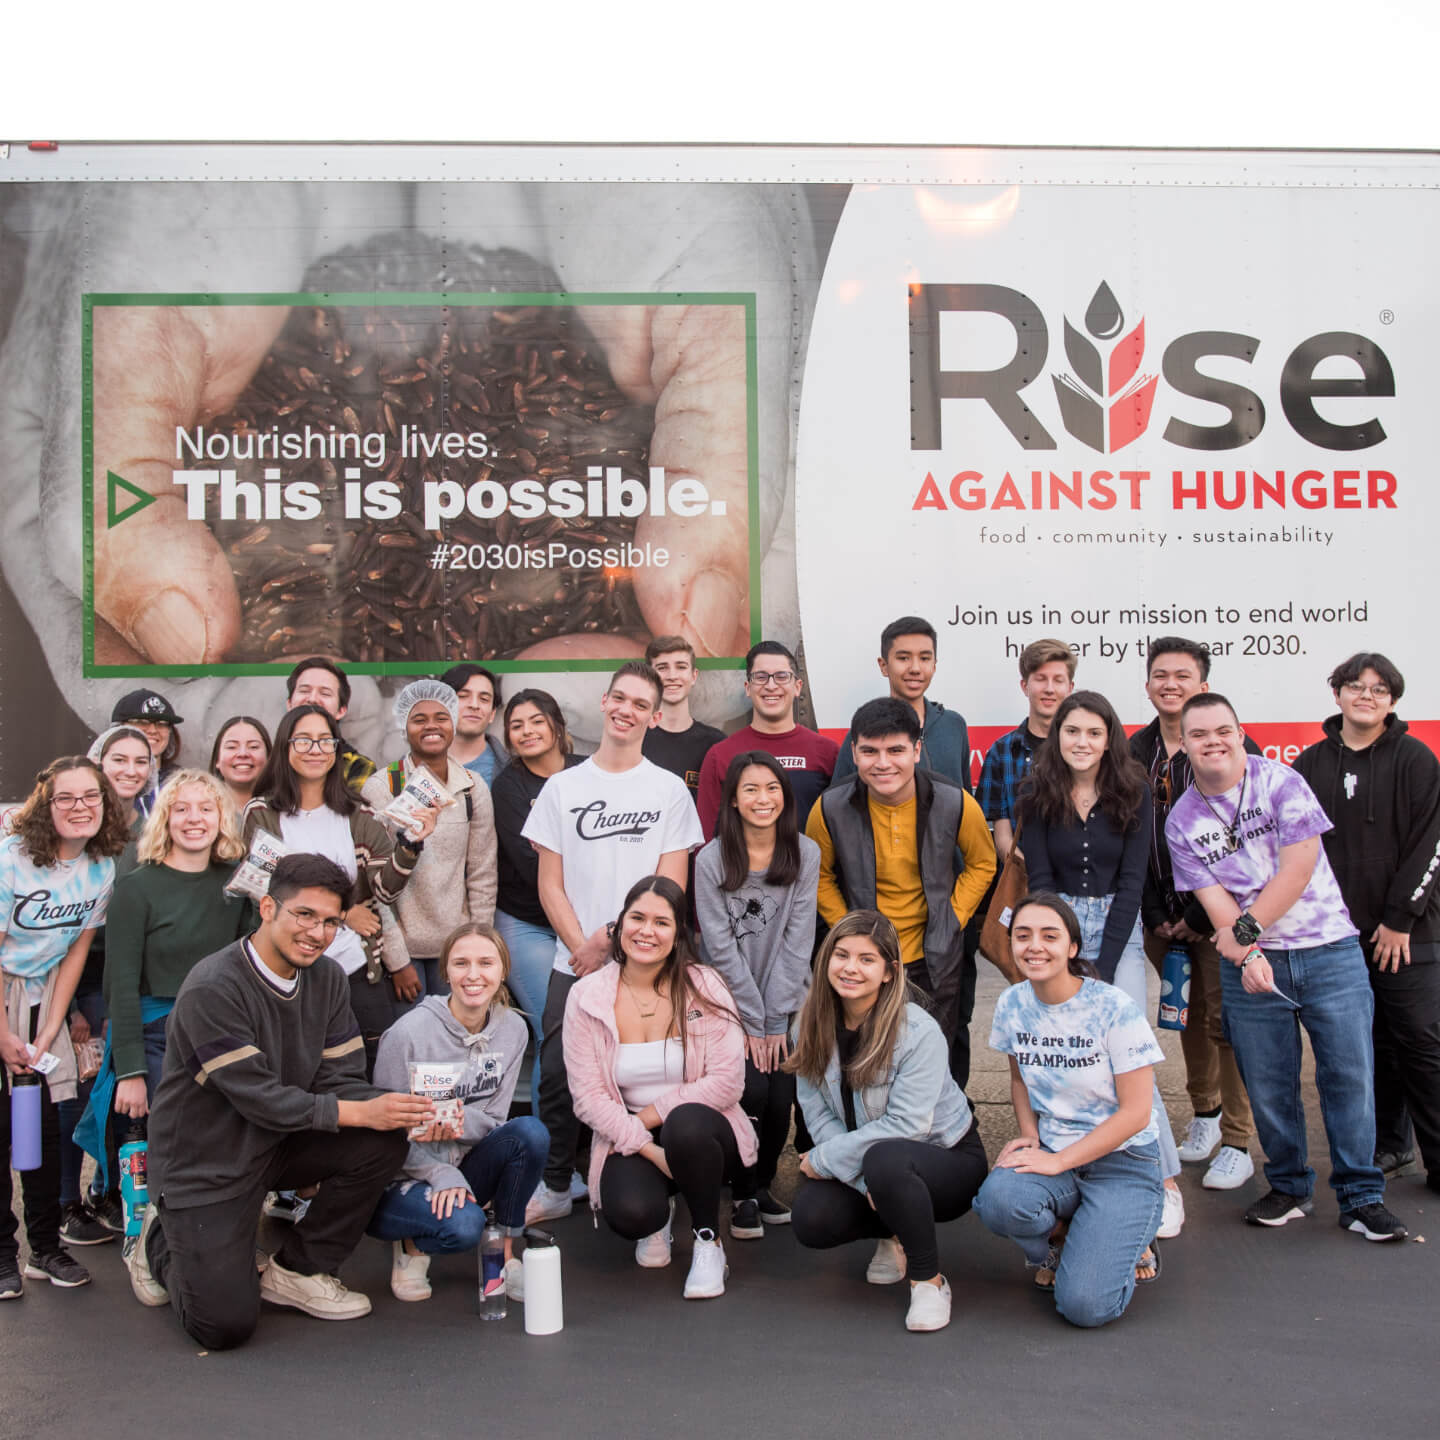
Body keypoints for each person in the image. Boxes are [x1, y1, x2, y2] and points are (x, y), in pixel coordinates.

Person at [125, 853, 431, 1348]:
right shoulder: (213, 986)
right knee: (223, 1326)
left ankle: (297, 1271)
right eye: (304, 915)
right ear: (267, 908)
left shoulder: (328, 979)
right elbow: (261, 1099)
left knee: (383, 1138)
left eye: (331, 921)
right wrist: (363, 1110)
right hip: (206, 1163)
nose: (317, 931)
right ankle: (158, 1241)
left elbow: (341, 1078)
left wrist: (398, 1109)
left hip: (278, 1143)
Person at [1166, 692, 1409, 1239]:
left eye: (1223, 730)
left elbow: (1297, 871)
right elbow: (1213, 903)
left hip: (1329, 952)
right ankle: (1289, 1187)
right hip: (1250, 966)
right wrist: (1249, 954)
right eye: (1200, 734)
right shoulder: (1181, 821)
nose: (1214, 742)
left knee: (1348, 1078)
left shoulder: (1282, 782)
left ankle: (1361, 1197)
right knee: (1270, 1083)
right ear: (1184, 744)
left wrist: (1244, 940)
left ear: (1240, 731)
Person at [522, 661, 703, 1224]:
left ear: (654, 715)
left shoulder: (669, 790)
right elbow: (548, 881)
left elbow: (670, 885)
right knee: (558, 1073)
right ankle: (557, 1182)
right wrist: (584, 950)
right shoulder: (562, 787)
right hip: (573, 961)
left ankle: (660, 1188)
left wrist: (613, 940)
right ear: (604, 702)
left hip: (648, 960)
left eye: (640, 704)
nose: (627, 710)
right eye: (619, 699)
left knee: (658, 1073)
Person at [1017, 690, 1185, 1235]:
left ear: (1109, 737)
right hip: (1054, 927)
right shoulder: (1037, 791)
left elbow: (1134, 882)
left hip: (1120, 931)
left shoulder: (1133, 790)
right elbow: (1039, 881)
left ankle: (1163, 1180)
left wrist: (1104, 968)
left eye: (1094, 732)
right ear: (1056, 736)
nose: (1082, 742)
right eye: (1072, 732)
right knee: (1060, 1051)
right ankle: (1070, 1165)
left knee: (1127, 1057)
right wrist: (1055, 949)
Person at [787, 910, 986, 1333]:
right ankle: (891, 1231)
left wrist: (824, 1161)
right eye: (841, 955)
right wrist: (859, 1181)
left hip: (945, 1160)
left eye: (866, 959)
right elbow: (818, 1112)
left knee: (887, 1161)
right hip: (874, 1169)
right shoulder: (807, 1025)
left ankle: (929, 1280)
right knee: (811, 1217)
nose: (850, 968)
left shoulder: (918, 1031)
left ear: (889, 973)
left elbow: (908, 1126)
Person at [974, 894, 1165, 1329]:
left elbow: (1136, 1114)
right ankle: (1062, 1241)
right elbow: (1020, 1077)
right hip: (1056, 1155)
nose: (1034, 946)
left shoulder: (1113, 1007)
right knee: (998, 1201)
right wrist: (1029, 1134)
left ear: (1072, 948)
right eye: (1022, 936)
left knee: (1084, 1307)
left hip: (1124, 1163)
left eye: (1049, 936)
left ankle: (1133, 1235)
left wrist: (1057, 1159)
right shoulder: (1013, 1004)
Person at [563, 876, 756, 1300]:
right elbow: (588, 1097)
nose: (646, 931)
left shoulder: (704, 986)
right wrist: (647, 1145)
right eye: (637, 918)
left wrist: (651, 1117)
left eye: (661, 922)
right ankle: (662, 1207)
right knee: (634, 1214)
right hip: (628, 1133)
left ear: (678, 933)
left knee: (684, 1123)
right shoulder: (587, 997)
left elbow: (727, 1083)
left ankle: (708, 1241)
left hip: (703, 1129)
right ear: (620, 924)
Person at [1293, 654, 1440, 1197]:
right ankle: (1390, 1146)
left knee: (1421, 1042)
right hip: (1337, 937)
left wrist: (1400, 919)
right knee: (1368, 1044)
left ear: (1393, 701)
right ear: (1337, 694)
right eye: (1356, 686)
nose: (1367, 696)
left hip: (1408, 933)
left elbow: (1432, 844)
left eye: (1380, 690)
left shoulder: (1417, 760)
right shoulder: (1308, 766)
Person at [807, 698, 995, 1083]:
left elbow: (983, 863)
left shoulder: (954, 801)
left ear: (917, 750)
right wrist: (848, 929)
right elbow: (818, 875)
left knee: (932, 1064)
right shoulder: (830, 808)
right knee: (864, 1064)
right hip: (865, 962)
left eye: (896, 750)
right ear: (854, 752)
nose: (883, 763)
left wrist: (952, 918)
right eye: (869, 751)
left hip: (933, 958)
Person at [244, 704, 436, 1074]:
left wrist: (411, 843)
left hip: (355, 966)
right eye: (303, 740)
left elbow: (385, 891)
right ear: (285, 747)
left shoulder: (358, 814)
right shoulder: (262, 812)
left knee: (366, 1069)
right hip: (286, 967)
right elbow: (262, 888)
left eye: (324, 740)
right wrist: (344, 913)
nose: (315, 749)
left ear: (336, 749)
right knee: (294, 1071)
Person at [1, 756, 129, 1298]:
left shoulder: (101, 866)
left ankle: (45, 1249)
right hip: (3, 988)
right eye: (66, 798)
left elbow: (78, 948)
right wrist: (4, 1036)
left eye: (90, 797)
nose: (80, 808)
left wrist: (51, 1025)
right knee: (3, 1127)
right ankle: (3, 1256)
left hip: (46, 992)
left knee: (44, 1127)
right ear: (45, 806)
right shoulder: (10, 859)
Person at [1131, 637, 1256, 1190]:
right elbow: (1130, 833)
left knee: (1225, 1022)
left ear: (1202, 685)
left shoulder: (1223, 749)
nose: (1170, 684)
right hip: (1158, 915)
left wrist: (1199, 917)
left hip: (1217, 916)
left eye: (1183, 676)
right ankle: (1203, 1115)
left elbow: (1241, 839)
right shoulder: (1132, 751)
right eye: (1160, 675)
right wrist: (1157, 910)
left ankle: (1237, 1139)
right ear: (1148, 684)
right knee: (1184, 1016)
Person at [369, 923, 548, 1302]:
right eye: (461, 963)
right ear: (445, 972)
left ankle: (504, 1251)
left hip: (467, 1157)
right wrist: (439, 1172)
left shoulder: (513, 1028)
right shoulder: (408, 1034)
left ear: (503, 971)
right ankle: (410, 1248)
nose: (473, 975)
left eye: (486, 963)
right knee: (463, 1228)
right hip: (406, 1169)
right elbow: (387, 1131)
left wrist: (450, 1118)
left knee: (531, 1134)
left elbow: (496, 1121)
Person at [694, 751, 820, 1233]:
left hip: (786, 1001)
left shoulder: (805, 853)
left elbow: (797, 940)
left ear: (784, 797)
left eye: (771, 788)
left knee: (782, 1095)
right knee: (749, 1087)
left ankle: (762, 1183)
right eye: (750, 789)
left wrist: (773, 1022)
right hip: (727, 1002)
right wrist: (749, 1019)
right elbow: (719, 948)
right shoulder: (711, 858)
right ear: (733, 800)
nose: (762, 798)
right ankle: (741, 1192)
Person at [54, 724, 155, 1244]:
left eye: (141, 761)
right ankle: (68, 1201)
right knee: (75, 1088)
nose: (131, 770)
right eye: (120, 759)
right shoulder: (72, 826)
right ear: (99, 762)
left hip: (127, 976)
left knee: (116, 1088)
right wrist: (69, 1008)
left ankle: (110, 1192)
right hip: (75, 976)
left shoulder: (148, 828)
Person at [103, 771, 250, 1119]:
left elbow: (253, 956)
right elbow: (120, 987)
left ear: (221, 818)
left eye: (205, 808)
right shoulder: (136, 888)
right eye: (181, 809)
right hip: (159, 1037)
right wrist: (130, 1071)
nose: (194, 819)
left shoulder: (237, 882)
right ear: (165, 819)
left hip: (223, 1030)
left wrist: (263, 899)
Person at [361, 680, 497, 1006]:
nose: (431, 726)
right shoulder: (383, 787)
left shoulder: (472, 787)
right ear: (404, 728)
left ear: (453, 724)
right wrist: (397, 960)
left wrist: (477, 943)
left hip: (456, 947)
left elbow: (482, 872)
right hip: (403, 951)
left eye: (441, 717)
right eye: (419, 719)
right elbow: (373, 883)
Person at [489, 689, 583, 1062]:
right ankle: (552, 1123)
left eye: (536, 721)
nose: (526, 731)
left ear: (556, 726)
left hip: (588, 919)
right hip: (527, 921)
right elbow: (531, 866)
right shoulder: (508, 788)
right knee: (556, 1029)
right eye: (516, 725)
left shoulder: (588, 771)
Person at [696, 641, 839, 838]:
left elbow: (839, 831)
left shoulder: (827, 752)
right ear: (748, 687)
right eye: (761, 677)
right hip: (740, 869)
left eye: (781, 676)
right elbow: (707, 839)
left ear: (797, 687)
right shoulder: (720, 756)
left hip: (809, 868)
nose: (771, 686)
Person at [831, 616, 972, 792]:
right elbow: (840, 801)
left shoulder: (954, 725)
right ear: (884, 666)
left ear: (934, 666)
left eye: (925, 658)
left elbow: (965, 797)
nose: (915, 668)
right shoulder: (862, 731)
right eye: (903, 658)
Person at [976, 638, 1077, 865]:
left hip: (1078, 888)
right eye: (1040, 679)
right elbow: (1001, 837)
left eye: (1058, 680)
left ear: (1070, 688)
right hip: (1020, 885)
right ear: (1025, 686)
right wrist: (1032, 874)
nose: (1049, 689)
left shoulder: (1084, 749)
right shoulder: (1002, 752)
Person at [642, 634, 724, 798]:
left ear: (693, 676)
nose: (672, 676)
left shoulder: (716, 744)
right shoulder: (635, 740)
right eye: (662, 668)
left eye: (681, 667)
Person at [285, 657, 375, 793]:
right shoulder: (267, 761)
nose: (312, 699)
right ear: (289, 704)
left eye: (325, 693)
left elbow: (356, 813)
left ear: (341, 710)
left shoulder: (357, 767)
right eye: (304, 691)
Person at [440, 664, 502, 788]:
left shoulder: (510, 770)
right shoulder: (407, 768)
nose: (474, 705)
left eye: (484, 699)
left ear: (492, 714)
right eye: (462, 696)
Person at [111, 689, 183, 794]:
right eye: (142, 722)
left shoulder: (182, 782)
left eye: (162, 723)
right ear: (118, 728)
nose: (153, 730)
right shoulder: (101, 781)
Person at [210, 715, 273, 814]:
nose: (243, 754)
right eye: (231, 747)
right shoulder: (202, 813)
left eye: (253, 746)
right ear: (217, 760)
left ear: (269, 757)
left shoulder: (287, 809)